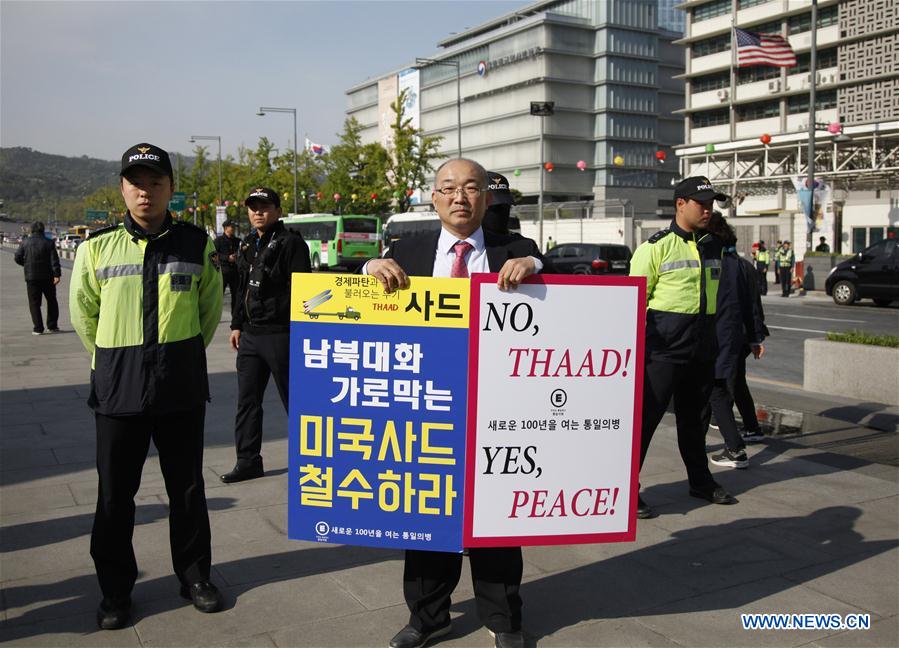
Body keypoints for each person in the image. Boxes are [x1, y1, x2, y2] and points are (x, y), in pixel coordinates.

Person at [366, 158, 542, 648]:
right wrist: (369, 266)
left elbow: (556, 283)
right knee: (427, 513)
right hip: (427, 405)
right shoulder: (409, 249)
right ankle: (427, 616)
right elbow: (356, 293)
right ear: (434, 197)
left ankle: (504, 617)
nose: (459, 197)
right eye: (448, 188)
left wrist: (532, 266)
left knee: (496, 514)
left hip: (496, 405)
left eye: (471, 188)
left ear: (486, 197)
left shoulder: (514, 248)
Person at [69, 143, 224, 630]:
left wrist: (178, 356)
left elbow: (210, 312)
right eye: (136, 183)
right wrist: (113, 362)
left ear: (171, 190)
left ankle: (195, 576)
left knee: (188, 488)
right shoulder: (97, 248)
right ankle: (115, 591)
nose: (146, 191)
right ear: (122, 189)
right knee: (115, 495)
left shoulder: (197, 245)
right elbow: (83, 315)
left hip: (180, 386)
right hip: (119, 390)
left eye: (156, 182)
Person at [629, 176, 737, 520]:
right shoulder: (655, 247)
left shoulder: (713, 245)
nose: (708, 209)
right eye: (701, 203)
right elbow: (634, 303)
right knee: (645, 422)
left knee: (696, 421)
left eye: (711, 204)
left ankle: (701, 481)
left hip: (702, 349)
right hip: (662, 352)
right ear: (680, 204)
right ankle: (628, 491)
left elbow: (723, 297)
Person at [220, 187, 311, 483]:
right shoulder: (247, 244)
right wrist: (235, 324)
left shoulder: (291, 244)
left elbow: (303, 291)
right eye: (253, 207)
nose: (258, 212)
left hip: (281, 334)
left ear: (278, 211)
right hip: (250, 335)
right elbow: (241, 289)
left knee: (296, 401)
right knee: (247, 402)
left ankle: (309, 460)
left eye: (265, 206)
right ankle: (247, 460)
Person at [702, 212, 768, 469]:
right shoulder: (741, 265)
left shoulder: (717, 265)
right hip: (739, 338)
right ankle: (750, 428)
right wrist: (755, 337)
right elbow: (753, 305)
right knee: (735, 383)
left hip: (721, 337)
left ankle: (735, 448)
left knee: (715, 390)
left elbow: (721, 307)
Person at [15, 220, 62, 335]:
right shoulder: (49, 242)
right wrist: (57, 274)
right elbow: (54, 260)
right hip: (48, 277)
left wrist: (26, 265)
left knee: (34, 303)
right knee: (51, 301)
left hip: (31, 277)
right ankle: (52, 326)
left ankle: (38, 328)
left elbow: (17, 257)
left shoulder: (25, 242)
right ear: (43, 230)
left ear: (31, 230)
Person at [214, 219, 242, 316]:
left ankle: (235, 317)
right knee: (219, 296)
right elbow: (213, 255)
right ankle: (215, 315)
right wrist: (227, 258)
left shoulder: (238, 241)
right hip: (223, 272)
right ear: (226, 228)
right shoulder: (218, 241)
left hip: (235, 271)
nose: (233, 229)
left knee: (236, 296)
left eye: (234, 227)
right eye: (232, 227)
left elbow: (242, 253)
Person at [483, 171, 516, 237]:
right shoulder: (464, 244)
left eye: (506, 206)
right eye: (494, 208)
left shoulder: (524, 245)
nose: (502, 212)